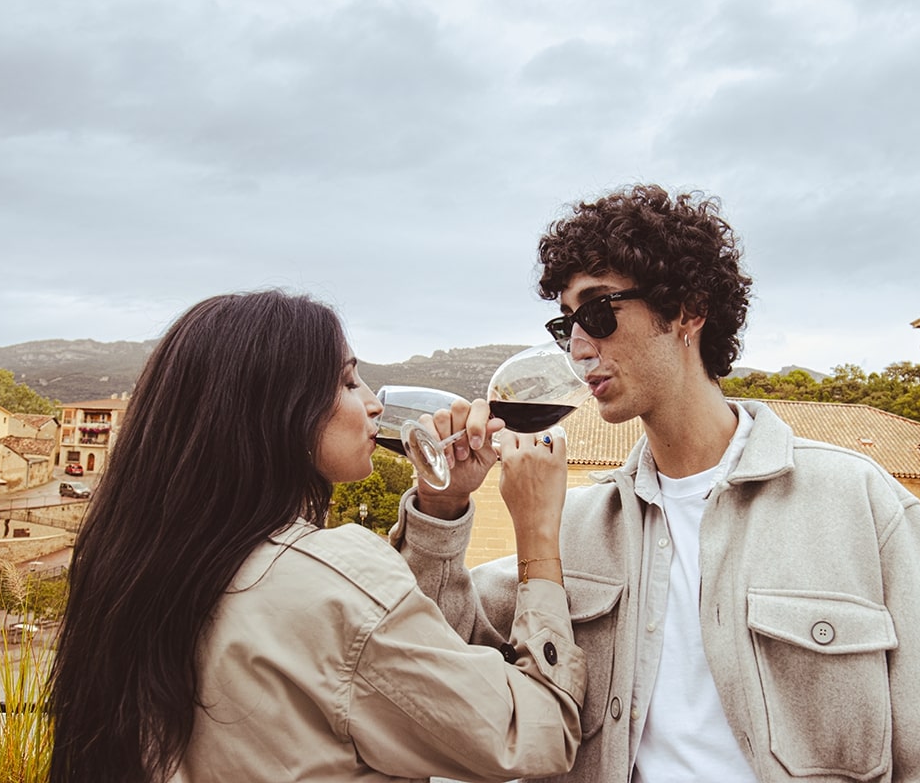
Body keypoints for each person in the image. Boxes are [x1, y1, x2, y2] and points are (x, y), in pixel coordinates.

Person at [393, 184, 920, 782]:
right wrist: (442, 505)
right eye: (566, 325)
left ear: (688, 310)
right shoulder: (572, 530)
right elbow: (434, 652)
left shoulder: (862, 505)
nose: (579, 347)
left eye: (599, 312)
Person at [47, 289, 585, 783]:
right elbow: (535, 731)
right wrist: (538, 539)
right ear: (277, 411)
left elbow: (382, 671)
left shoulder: (146, 569)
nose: (374, 403)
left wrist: (440, 507)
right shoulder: (330, 577)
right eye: (348, 382)